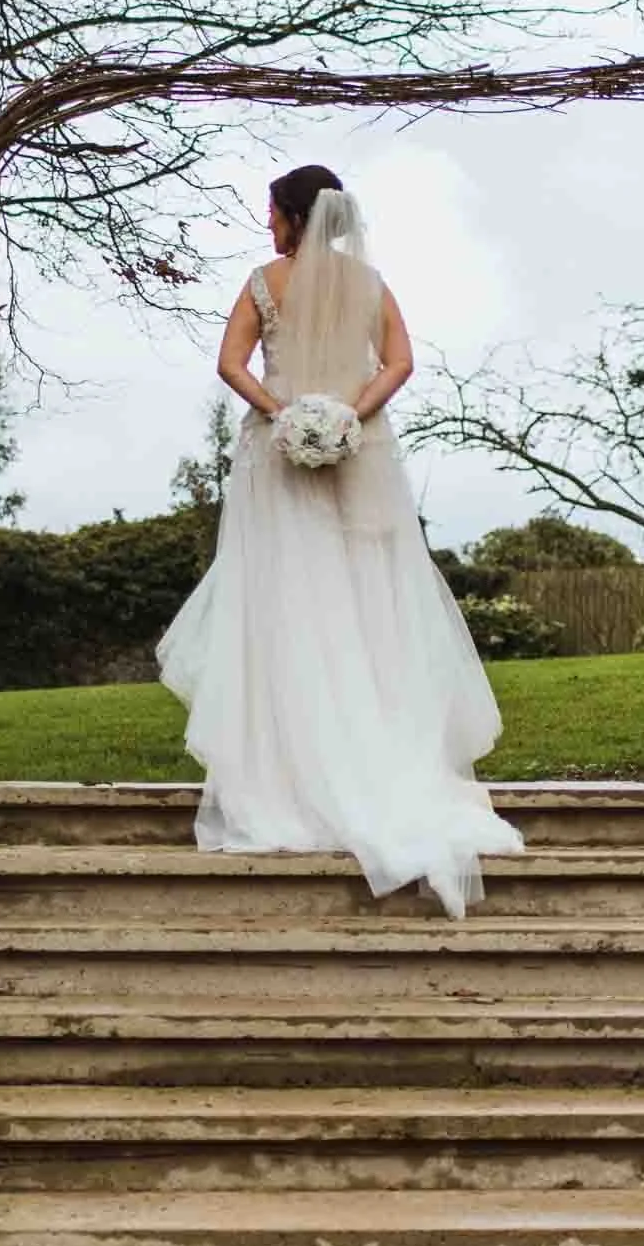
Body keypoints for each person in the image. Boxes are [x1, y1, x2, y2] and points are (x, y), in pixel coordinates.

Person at [156, 164, 524, 919]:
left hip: (276, 464)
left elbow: (230, 365)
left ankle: (290, 774)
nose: (269, 227)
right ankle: (371, 759)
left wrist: (282, 411)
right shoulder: (369, 282)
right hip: (360, 455)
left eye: (272, 214)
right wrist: (350, 414)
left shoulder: (265, 282)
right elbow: (401, 362)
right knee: (360, 606)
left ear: (295, 216)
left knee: (287, 605)